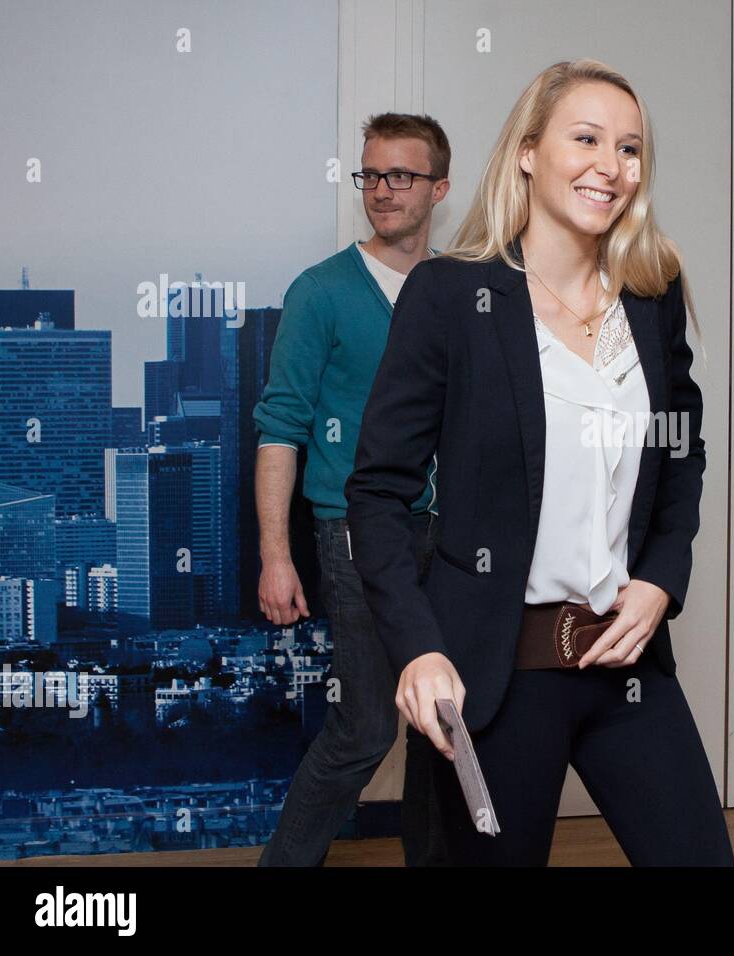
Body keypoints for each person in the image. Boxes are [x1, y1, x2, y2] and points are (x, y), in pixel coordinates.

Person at [345, 59, 734, 865]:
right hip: (495, 679)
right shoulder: (453, 297)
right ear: (527, 152)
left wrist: (661, 577)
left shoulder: (649, 296)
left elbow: (682, 451)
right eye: (585, 138)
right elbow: (379, 491)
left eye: (629, 148)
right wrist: (418, 648)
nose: (610, 165)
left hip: (626, 669)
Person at [252, 113, 452, 866]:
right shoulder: (323, 292)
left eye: (402, 175)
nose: (382, 191)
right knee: (366, 727)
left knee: (447, 720)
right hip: (353, 534)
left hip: (455, 536)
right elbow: (280, 428)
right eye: (371, 175)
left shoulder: (460, 286)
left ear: (439, 186)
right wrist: (277, 555)